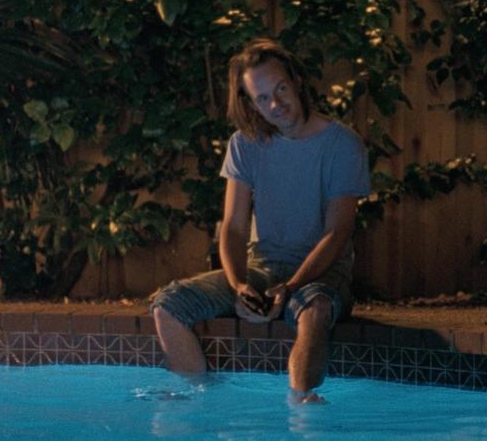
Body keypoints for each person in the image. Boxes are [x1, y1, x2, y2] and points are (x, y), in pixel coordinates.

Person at [150, 38, 370, 403]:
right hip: (262, 268)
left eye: (280, 89)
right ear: (251, 103)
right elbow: (234, 227)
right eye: (262, 98)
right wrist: (239, 285)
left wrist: (292, 286)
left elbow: (337, 232)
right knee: (168, 304)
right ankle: (200, 398)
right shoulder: (244, 144)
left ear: (296, 80)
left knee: (314, 309)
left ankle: (301, 405)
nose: (275, 104)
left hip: (324, 273)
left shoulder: (342, 144)